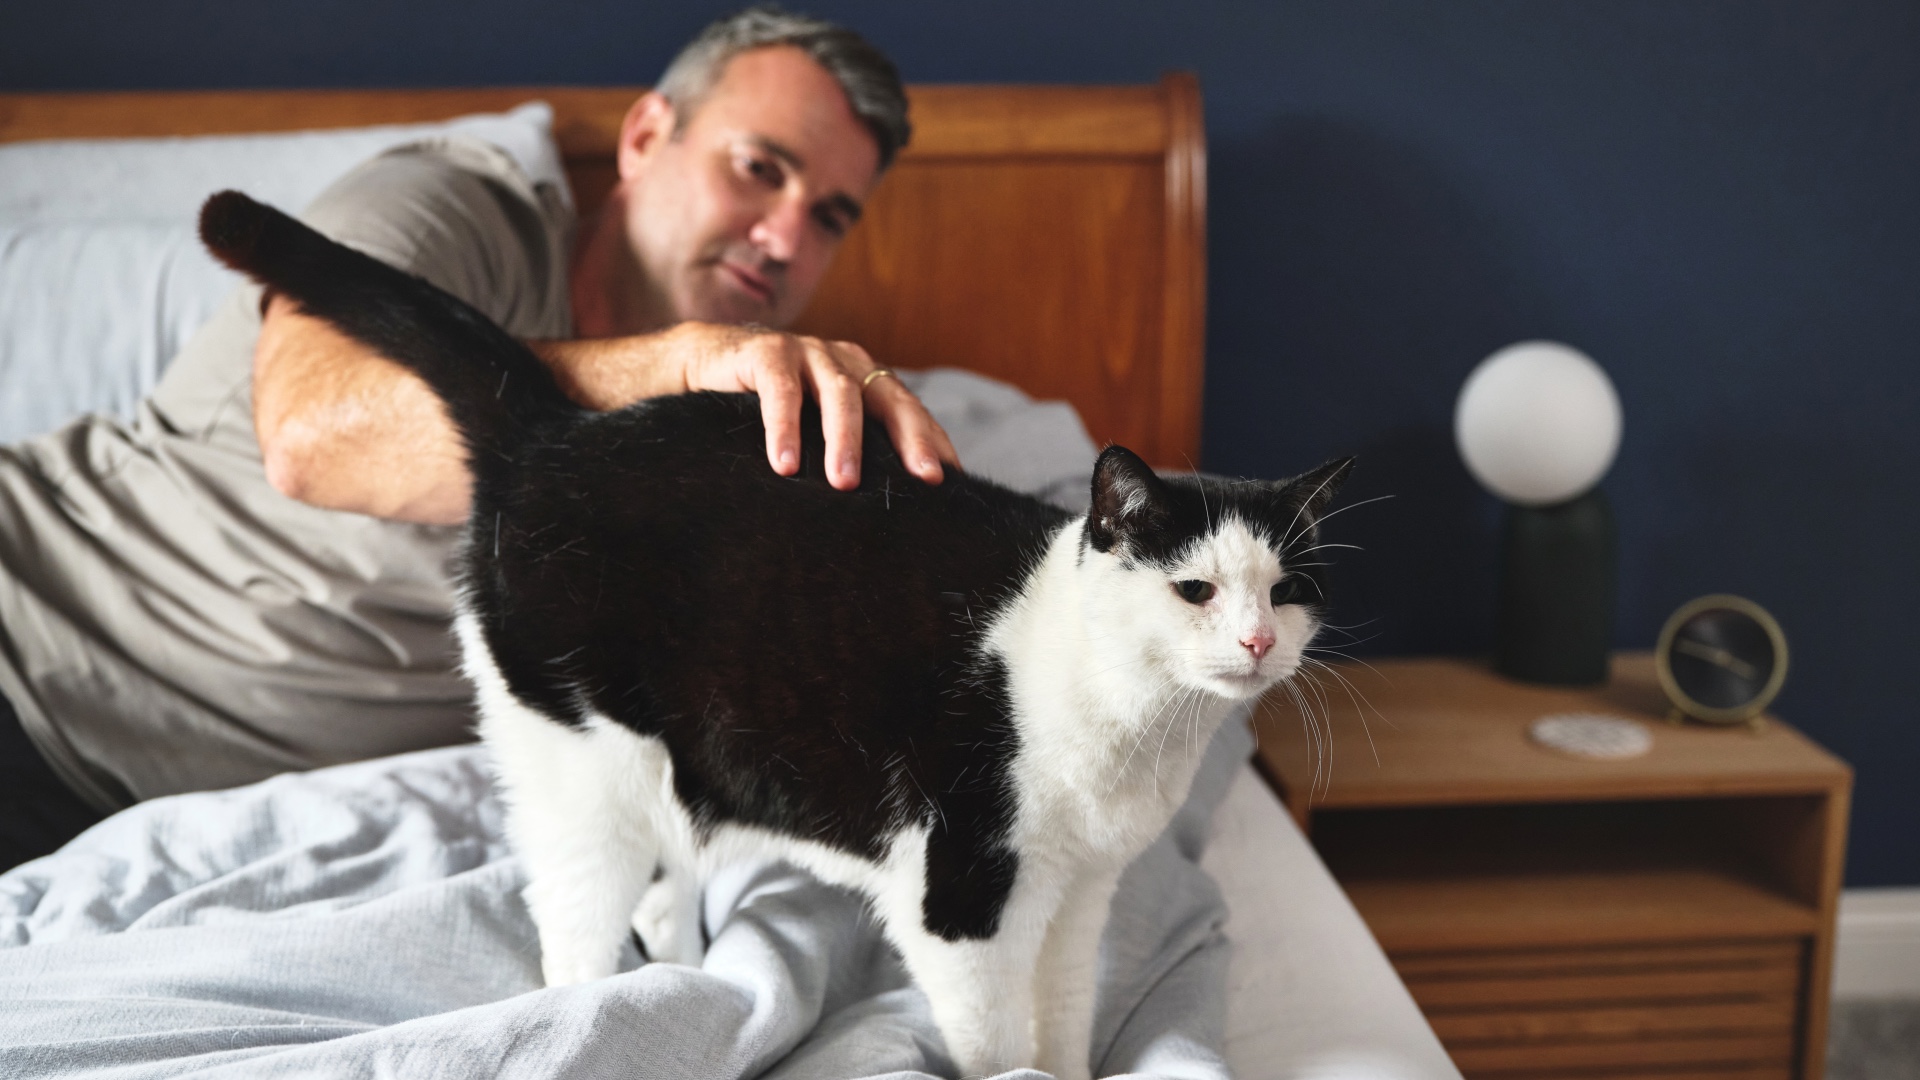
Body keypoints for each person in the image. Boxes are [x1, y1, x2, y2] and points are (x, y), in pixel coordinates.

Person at [0, 7, 957, 868]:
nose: (785, 237)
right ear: (646, 135)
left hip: (148, 826)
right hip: (31, 645)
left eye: (828, 216)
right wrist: (672, 369)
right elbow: (310, 437)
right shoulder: (458, 209)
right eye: (760, 168)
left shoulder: (732, 455)